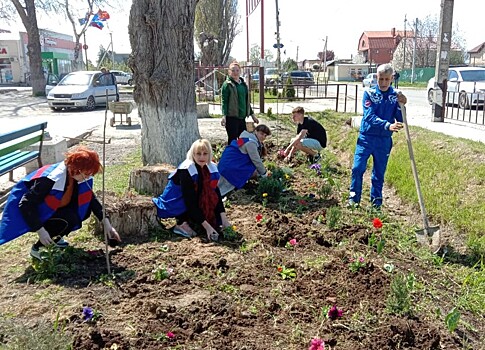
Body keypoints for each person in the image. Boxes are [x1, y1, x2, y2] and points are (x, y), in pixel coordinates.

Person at [0, 147, 121, 260]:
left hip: (55, 210)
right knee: (68, 218)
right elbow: (26, 204)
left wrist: (107, 224)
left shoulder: (78, 176)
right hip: (35, 213)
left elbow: (91, 199)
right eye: (86, 173)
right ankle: (38, 248)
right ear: (75, 169)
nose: (88, 177)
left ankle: (55, 239)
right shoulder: (50, 179)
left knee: (79, 214)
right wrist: (40, 231)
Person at [349, 63, 407, 209]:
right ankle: (354, 199)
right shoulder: (369, 94)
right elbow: (369, 116)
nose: (383, 83)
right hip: (366, 138)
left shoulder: (395, 96)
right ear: (377, 77)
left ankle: (376, 204)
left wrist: (403, 105)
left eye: (387, 79)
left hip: (384, 140)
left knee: (379, 173)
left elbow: (400, 119)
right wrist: (387, 125)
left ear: (391, 79)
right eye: (381, 79)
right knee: (357, 168)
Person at [152, 139, 231, 241]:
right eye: (198, 154)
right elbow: (189, 201)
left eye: (205, 154)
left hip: (195, 197)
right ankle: (181, 222)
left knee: (213, 206)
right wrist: (208, 227)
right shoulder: (186, 170)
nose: (202, 157)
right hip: (176, 199)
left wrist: (225, 220)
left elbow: (216, 194)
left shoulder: (211, 168)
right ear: (193, 154)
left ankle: (195, 220)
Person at [217, 124, 271, 196]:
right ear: (256, 131)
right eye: (261, 134)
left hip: (224, 166)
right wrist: (264, 174)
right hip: (230, 170)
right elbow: (256, 161)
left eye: (265, 135)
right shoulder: (251, 143)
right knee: (254, 171)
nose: (263, 137)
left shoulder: (245, 138)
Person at [221, 61, 259, 144]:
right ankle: (231, 156)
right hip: (232, 118)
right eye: (233, 70)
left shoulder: (243, 85)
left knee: (243, 140)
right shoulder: (227, 85)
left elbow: (246, 102)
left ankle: (241, 156)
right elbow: (224, 101)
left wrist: (252, 115)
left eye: (237, 70)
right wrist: (224, 116)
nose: (235, 72)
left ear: (240, 71)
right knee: (233, 140)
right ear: (229, 72)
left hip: (242, 118)